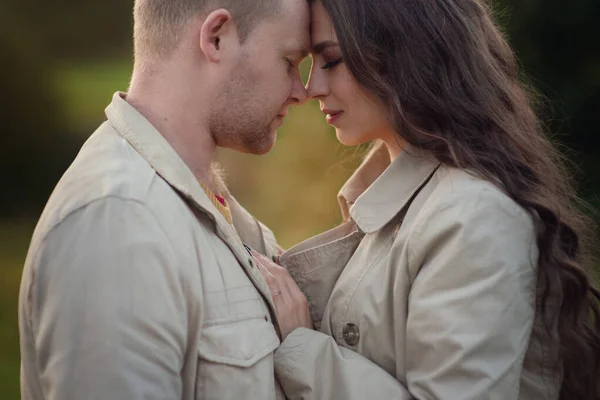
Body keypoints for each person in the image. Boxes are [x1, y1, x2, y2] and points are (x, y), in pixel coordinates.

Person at [254, 0, 600, 399]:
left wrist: (302, 349)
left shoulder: (473, 216)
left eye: (331, 60)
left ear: (404, 56)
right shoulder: (408, 203)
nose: (312, 87)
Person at [18, 0, 311, 398]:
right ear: (217, 37)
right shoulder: (117, 225)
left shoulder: (199, 204)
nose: (302, 91)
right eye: (289, 60)